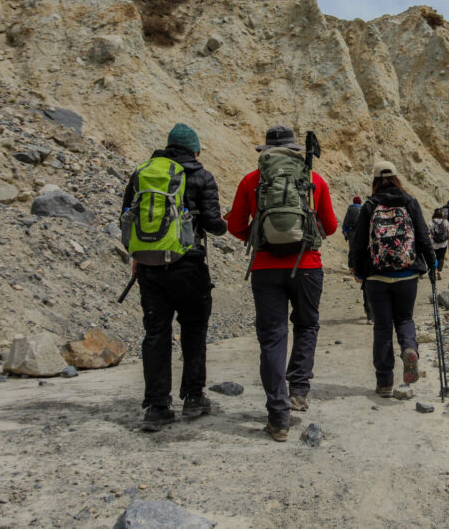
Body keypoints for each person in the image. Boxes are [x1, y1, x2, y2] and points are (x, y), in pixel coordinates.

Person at [226, 126, 337, 442]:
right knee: (306, 325)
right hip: (307, 266)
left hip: (265, 269)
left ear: (266, 152)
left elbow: (234, 225)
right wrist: (305, 237)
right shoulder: (313, 179)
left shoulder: (252, 180)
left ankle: (278, 417)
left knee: (272, 338)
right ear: (294, 150)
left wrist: (259, 239)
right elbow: (329, 225)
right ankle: (299, 390)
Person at [123, 123, 227, 432]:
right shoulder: (201, 177)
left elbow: (127, 218)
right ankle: (194, 398)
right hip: (189, 266)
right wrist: (226, 222)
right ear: (194, 150)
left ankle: (157, 406)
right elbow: (212, 225)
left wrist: (138, 258)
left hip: (149, 267)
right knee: (194, 330)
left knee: (156, 333)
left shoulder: (141, 174)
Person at [348, 161, 436, 397]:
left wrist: (356, 268)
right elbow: (423, 236)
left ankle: (384, 382)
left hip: (377, 277)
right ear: (397, 178)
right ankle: (409, 348)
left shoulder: (369, 205)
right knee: (405, 318)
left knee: (382, 327)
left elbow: (357, 241)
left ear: (375, 181)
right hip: (407, 274)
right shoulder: (410, 202)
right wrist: (432, 263)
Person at [429, 208, 449, 279]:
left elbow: (428, 232)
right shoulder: (445, 221)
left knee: (435, 257)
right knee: (441, 257)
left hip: (434, 243)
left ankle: (433, 269)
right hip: (443, 242)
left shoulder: (431, 222)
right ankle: (439, 271)